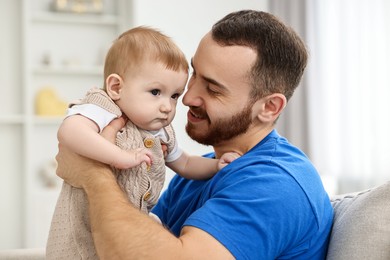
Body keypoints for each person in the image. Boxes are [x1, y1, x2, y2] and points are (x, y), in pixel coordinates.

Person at [55, 10, 334, 259]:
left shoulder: (275, 184)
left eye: (212, 89)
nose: (187, 98)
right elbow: (130, 233)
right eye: (194, 75)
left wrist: (93, 173)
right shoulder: (197, 175)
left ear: (269, 107)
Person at [46, 26, 238, 259]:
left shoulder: (160, 132)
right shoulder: (105, 106)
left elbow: (185, 164)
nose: (167, 106)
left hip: (125, 226)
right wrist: (119, 157)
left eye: (174, 95)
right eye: (156, 92)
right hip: (82, 230)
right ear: (117, 87)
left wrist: (215, 166)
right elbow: (71, 131)